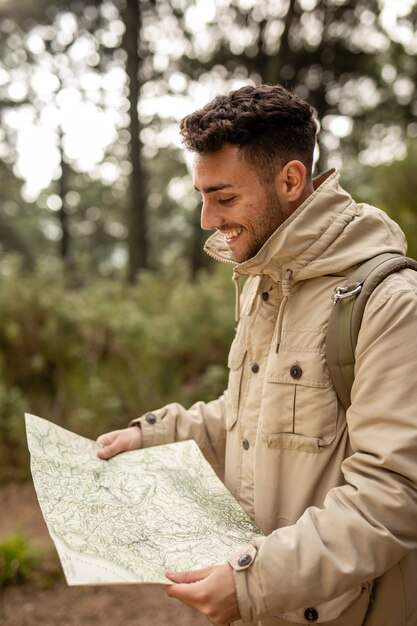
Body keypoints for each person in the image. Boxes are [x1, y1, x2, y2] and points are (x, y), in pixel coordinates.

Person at [96, 84, 417, 626]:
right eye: (202, 196)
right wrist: (152, 435)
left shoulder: (390, 303)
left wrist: (254, 582)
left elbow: (394, 496)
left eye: (224, 198)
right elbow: (250, 415)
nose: (206, 219)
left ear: (290, 180)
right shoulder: (260, 281)